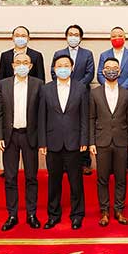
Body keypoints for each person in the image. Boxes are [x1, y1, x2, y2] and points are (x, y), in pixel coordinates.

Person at [38, 54, 90, 230]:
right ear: (54, 68)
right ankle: (53, 215)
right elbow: (41, 117)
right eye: (59, 65)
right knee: (54, 182)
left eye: (66, 65)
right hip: (52, 142)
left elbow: (84, 116)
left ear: (72, 68)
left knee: (76, 182)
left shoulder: (81, 88)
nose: (63, 68)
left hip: (74, 142)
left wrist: (84, 139)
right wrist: (42, 142)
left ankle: (77, 215)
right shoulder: (46, 89)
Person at [0, 53, 43, 231]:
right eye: (18, 62)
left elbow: (42, 114)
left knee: (31, 177)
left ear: (30, 66)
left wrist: (42, 140)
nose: (22, 65)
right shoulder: (3, 84)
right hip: (10, 137)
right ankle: (12, 215)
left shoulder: (38, 84)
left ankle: (31, 214)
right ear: (13, 65)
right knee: (10, 178)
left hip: (30, 136)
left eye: (25, 62)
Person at [89, 58, 128, 227]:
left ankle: (119, 210)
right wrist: (91, 142)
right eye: (108, 67)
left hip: (122, 141)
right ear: (103, 71)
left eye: (115, 68)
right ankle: (104, 211)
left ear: (120, 71)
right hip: (102, 141)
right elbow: (91, 118)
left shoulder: (127, 93)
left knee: (121, 178)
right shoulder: (94, 93)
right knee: (102, 179)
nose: (111, 70)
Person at [52, 24, 96, 176]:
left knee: (83, 126)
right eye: (70, 34)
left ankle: (85, 163)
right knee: (64, 126)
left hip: (82, 95)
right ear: (66, 37)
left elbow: (90, 74)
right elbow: (53, 72)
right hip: (61, 95)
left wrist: (76, 88)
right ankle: (64, 164)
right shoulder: (59, 53)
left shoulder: (87, 54)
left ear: (81, 37)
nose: (73, 37)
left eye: (76, 34)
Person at [97, 26, 128, 175]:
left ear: (125, 37)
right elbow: (100, 73)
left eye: (119, 35)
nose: (117, 38)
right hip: (108, 93)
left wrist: (120, 88)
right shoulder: (104, 55)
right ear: (110, 38)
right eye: (114, 36)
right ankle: (110, 165)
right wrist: (110, 86)